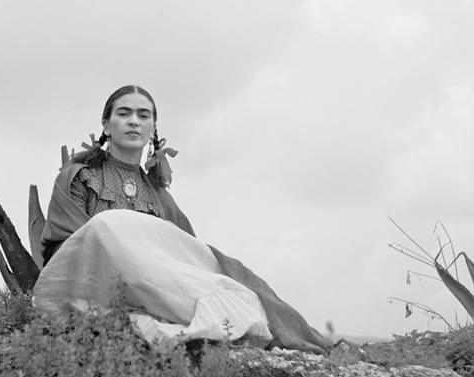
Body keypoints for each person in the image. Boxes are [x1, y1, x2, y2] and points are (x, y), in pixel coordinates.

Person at [33, 85, 332, 353]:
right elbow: (67, 249)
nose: (134, 121)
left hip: (149, 289)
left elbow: (181, 259)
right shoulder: (79, 177)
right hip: (91, 284)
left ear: (153, 129)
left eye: (143, 115)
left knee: (243, 299)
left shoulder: (160, 197)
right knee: (105, 225)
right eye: (124, 114)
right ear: (107, 126)